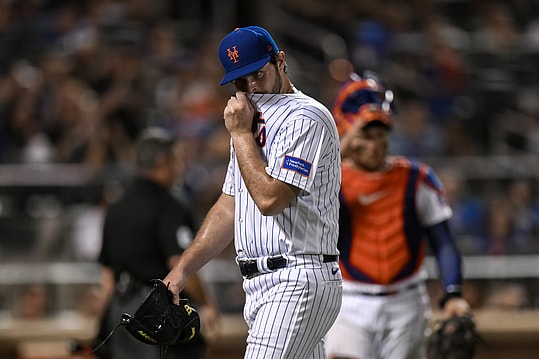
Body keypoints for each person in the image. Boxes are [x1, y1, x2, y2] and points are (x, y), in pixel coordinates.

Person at [163, 25, 343, 359]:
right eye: (240, 81)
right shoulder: (249, 119)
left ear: (281, 61)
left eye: (257, 74)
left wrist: (240, 135)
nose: (250, 87)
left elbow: (270, 199)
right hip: (261, 285)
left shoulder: (306, 116)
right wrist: (182, 271)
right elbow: (230, 207)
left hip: (297, 276)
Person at [324, 71, 471, 359]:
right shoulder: (330, 181)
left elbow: (443, 241)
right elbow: (312, 183)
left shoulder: (417, 178)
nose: (375, 144)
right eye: (366, 135)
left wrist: (453, 292)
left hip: (407, 300)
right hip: (348, 299)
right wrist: (347, 133)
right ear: (348, 135)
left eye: (380, 135)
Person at [95, 127, 220, 359]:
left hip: (121, 313)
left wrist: (104, 325)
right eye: (178, 160)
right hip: (159, 314)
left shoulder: (116, 207)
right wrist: (206, 305)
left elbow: (107, 277)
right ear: (163, 162)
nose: (181, 167)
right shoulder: (170, 205)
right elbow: (181, 263)